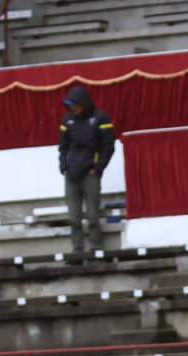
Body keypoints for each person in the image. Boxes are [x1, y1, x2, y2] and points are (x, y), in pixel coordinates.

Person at [58, 85, 113, 259]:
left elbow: (108, 146)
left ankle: (97, 248)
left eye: (75, 104)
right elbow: (63, 147)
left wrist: (97, 168)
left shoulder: (101, 118)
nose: (72, 108)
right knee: (74, 216)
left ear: (83, 103)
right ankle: (77, 251)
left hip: (90, 173)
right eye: (70, 105)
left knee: (93, 215)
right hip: (71, 173)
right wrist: (63, 167)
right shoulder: (67, 120)